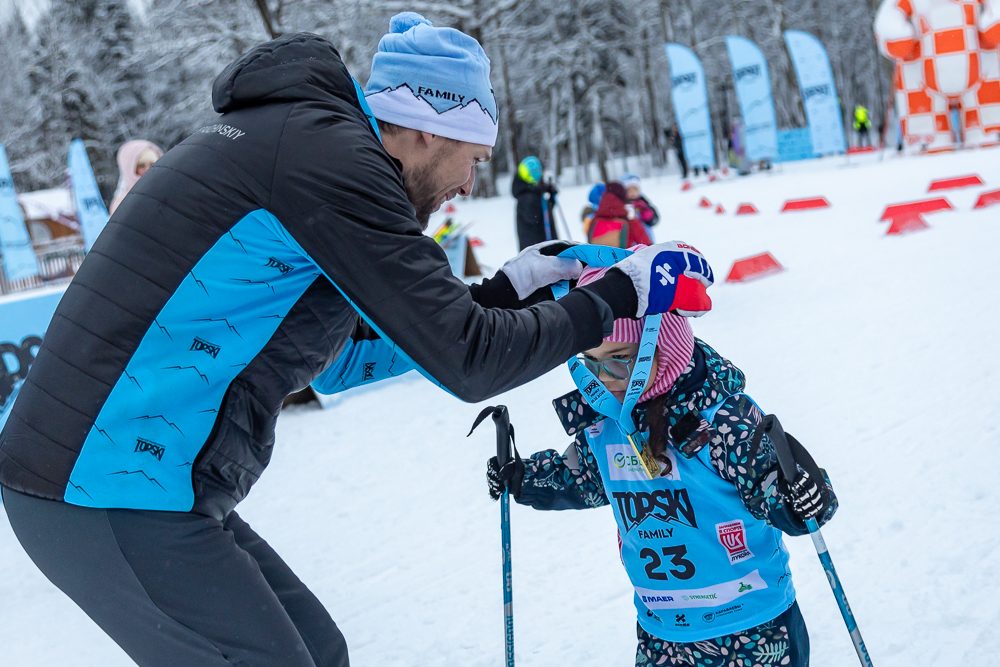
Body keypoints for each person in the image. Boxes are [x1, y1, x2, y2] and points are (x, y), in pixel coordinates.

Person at [0, 13, 716, 667]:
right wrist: (620, 293)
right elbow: (470, 360)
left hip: (136, 480)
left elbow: (341, 362)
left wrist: (499, 294)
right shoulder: (336, 164)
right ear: (430, 126)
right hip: (98, 482)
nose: (471, 182)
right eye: (476, 156)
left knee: (317, 649)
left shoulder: (312, 150)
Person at [487, 258, 838, 667]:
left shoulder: (721, 420)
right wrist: (523, 477)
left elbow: (777, 493)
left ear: (664, 346)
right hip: (663, 634)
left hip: (753, 631)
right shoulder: (606, 426)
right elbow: (581, 477)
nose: (606, 378)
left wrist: (801, 499)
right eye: (592, 365)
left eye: (620, 358)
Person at [513, 155, 559, 250]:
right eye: (540, 172)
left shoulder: (532, 193)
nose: (542, 175)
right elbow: (534, 217)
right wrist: (539, 191)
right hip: (536, 251)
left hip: (545, 247)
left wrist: (550, 197)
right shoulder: (526, 196)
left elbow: (545, 213)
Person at [588, 182, 651, 248]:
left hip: (598, 257)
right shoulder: (630, 221)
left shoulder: (594, 220)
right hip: (625, 258)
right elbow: (647, 247)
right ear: (623, 197)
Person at [109, 140, 164, 214]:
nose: (148, 170)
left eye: (152, 164)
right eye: (141, 166)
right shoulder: (122, 204)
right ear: (129, 168)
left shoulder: (166, 192)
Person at [621, 173, 659, 238]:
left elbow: (653, 219)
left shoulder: (644, 202)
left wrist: (644, 210)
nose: (632, 192)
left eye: (635, 189)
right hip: (630, 235)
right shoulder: (623, 204)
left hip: (646, 234)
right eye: (629, 190)